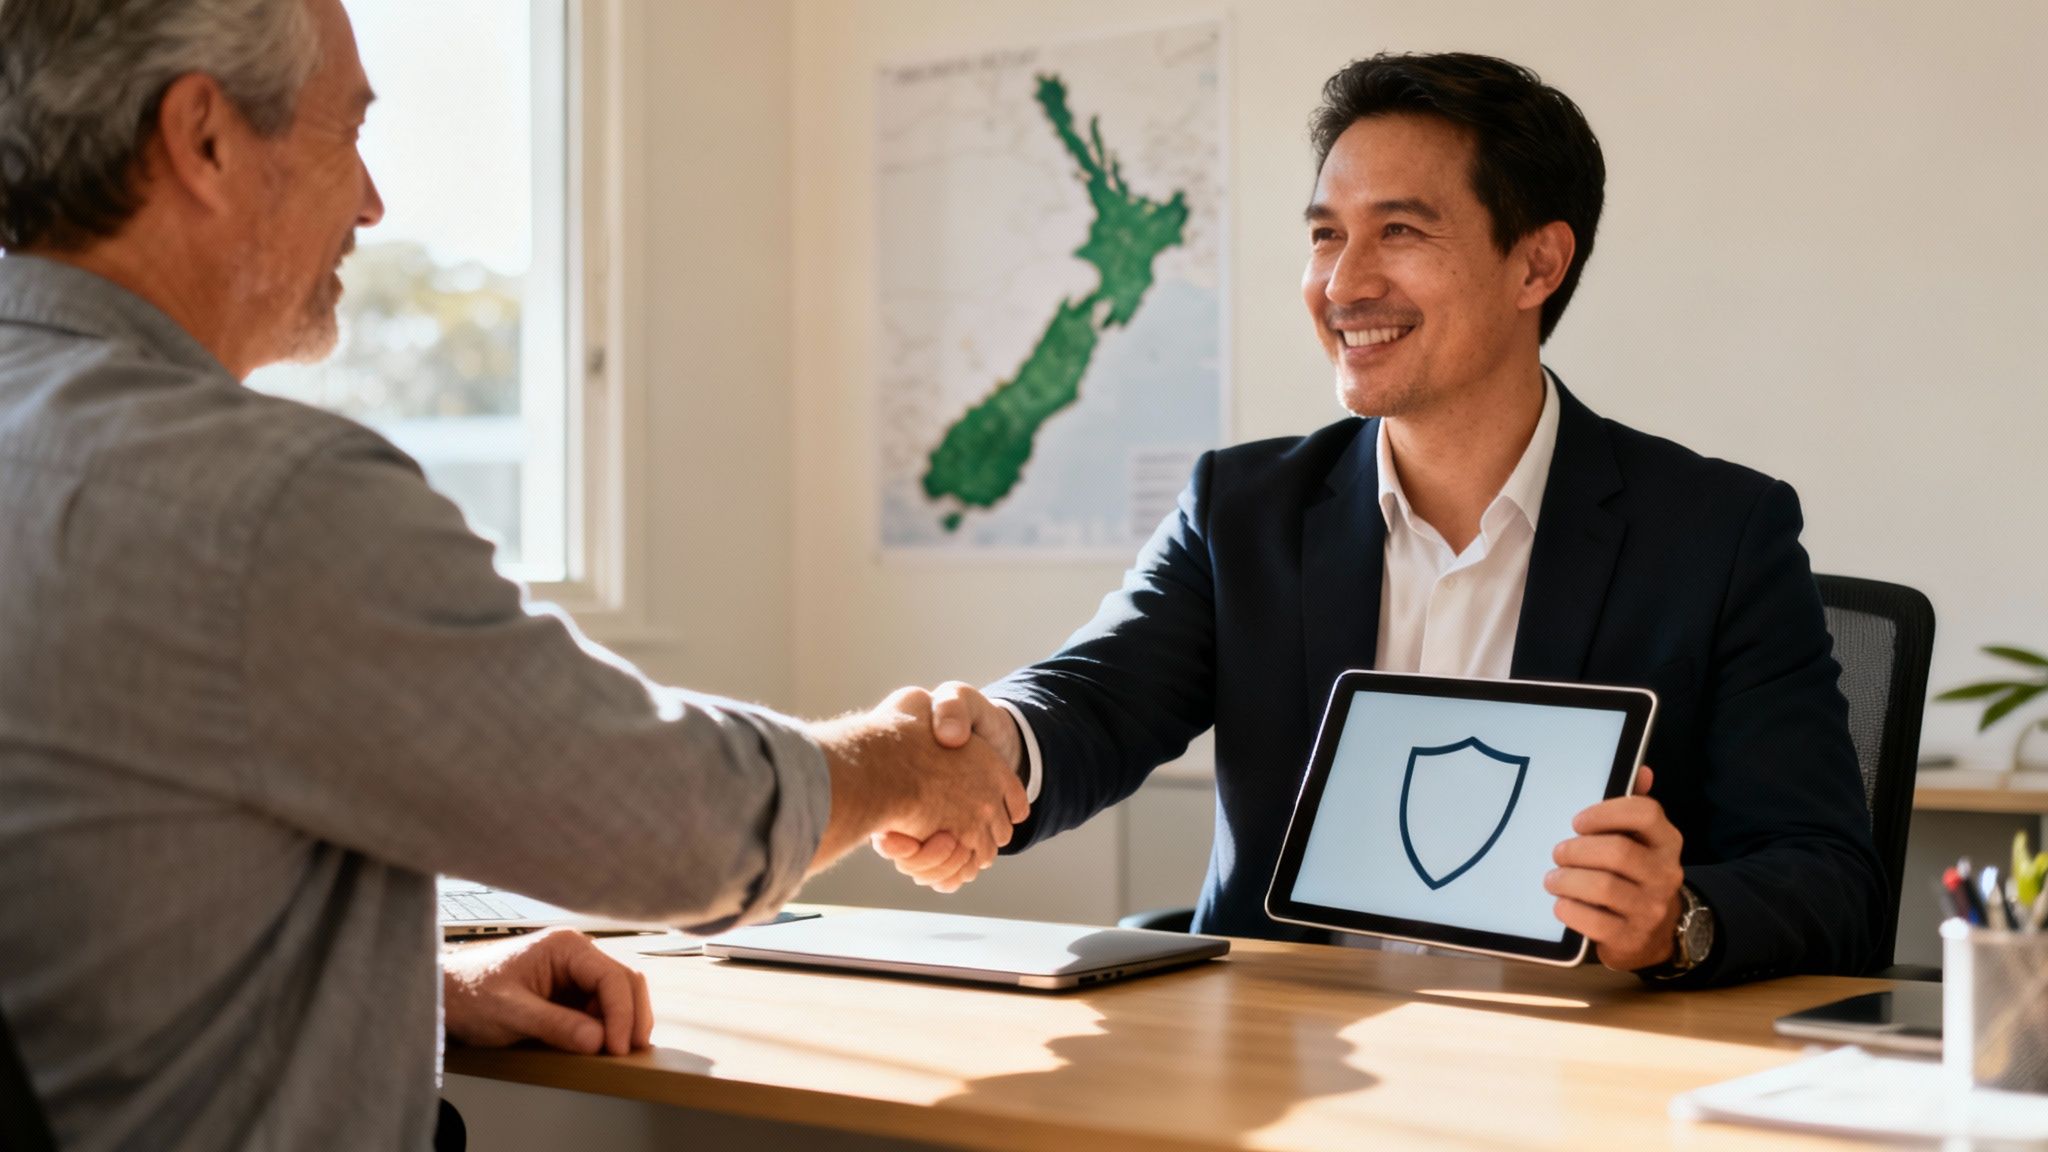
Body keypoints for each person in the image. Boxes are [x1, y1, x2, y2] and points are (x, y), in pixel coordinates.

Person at [0, 1, 1024, 1148]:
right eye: (348, 133)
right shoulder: (266, 503)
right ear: (202, 137)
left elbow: (82, 919)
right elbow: (681, 822)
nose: (373, 200)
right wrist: (899, 766)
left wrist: (424, 992)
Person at [876, 52, 1886, 987]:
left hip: (1573, 1072)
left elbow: (1828, 875)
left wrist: (1679, 920)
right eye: (1325, 234)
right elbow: (1093, 701)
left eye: (1398, 231)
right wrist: (988, 745)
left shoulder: (1716, 532)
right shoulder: (1242, 512)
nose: (1341, 283)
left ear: (1535, 265)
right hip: (1290, 1058)